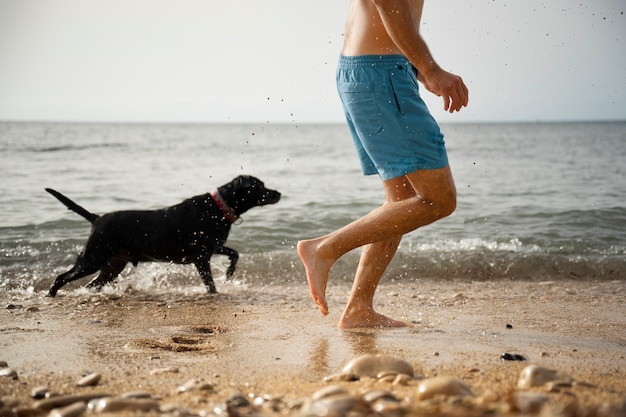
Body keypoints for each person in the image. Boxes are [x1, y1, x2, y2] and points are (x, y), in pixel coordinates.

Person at [297, 0, 469, 329]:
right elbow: (389, 4)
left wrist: (417, 69)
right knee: (439, 200)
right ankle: (324, 249)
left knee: (402, 199)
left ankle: (359, 308)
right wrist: (432, 72)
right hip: (381, 74)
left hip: (375, 70)